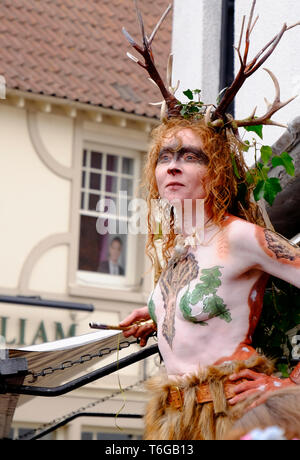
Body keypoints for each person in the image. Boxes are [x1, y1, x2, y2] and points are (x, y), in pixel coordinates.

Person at [119, 0, 300, 440]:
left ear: (217, 171)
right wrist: (159, 313)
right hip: (177, 419)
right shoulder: (183, 247)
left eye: (190, 156)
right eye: (166, 156)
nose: (174, 166)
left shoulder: (239, 236)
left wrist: (294, 382)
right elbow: (213, 304)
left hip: (236, 415)